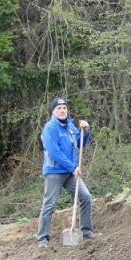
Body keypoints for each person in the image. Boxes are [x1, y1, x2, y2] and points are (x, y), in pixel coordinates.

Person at [36, 96, 99, 246]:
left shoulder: (70, 126)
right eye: (59, 108)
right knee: (49, 204)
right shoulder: (50, 128)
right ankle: (42, 238)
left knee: (86, 197)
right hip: (54, 172)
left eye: (64, 108)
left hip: (71, 172)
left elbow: (80, 143)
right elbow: (54, 152)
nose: (62, 110)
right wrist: (72, 167)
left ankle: (86, 231)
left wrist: (86, 131)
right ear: (53, 111)